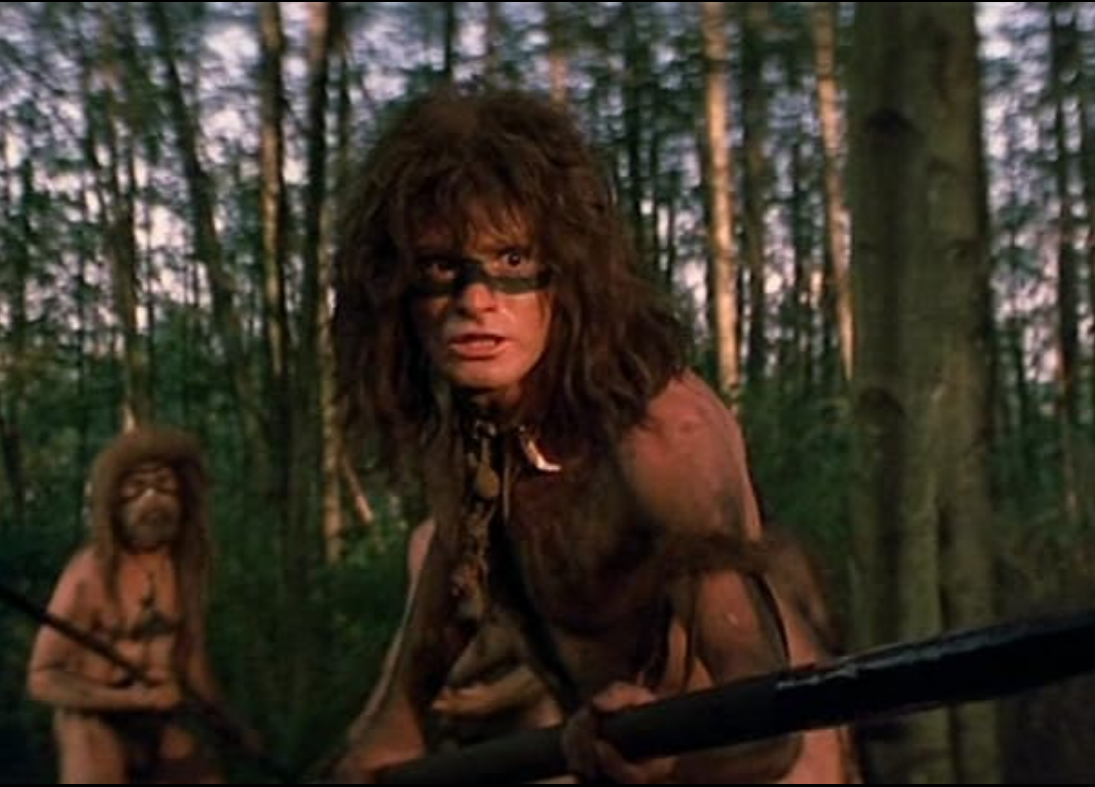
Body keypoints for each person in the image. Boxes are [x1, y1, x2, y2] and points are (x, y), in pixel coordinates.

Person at [329, 87, 854, 783]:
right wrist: (384, 735)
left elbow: (765, 727)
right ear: (397, 290)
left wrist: (664, 755)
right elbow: (438, 616)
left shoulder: (662, 435)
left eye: (512, 261)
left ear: (567, 273)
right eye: (440, 268)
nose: (476, 300)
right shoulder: (468, 443)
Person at [26, 426, 252, 783]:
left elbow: (191, 659)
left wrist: (224, 719)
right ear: (115, 503)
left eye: (164, 485)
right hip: (96, 715)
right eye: (137, 487)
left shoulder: (186, 569)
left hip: (166, 713)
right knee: (92, 756)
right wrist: (133, 700)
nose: (152, 499)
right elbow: (41, 679)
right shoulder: (89, 573)